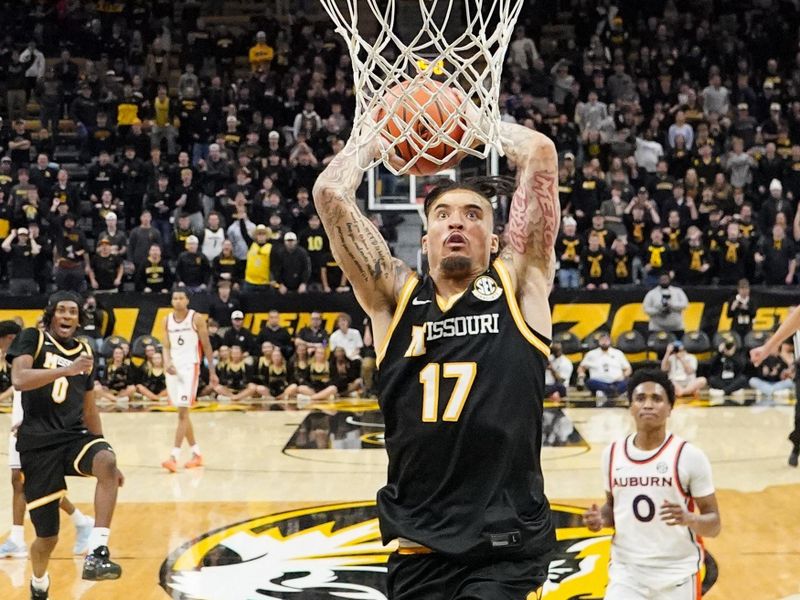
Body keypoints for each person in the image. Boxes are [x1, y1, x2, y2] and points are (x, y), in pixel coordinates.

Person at [313, 118, 559, 597]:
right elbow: (330, 193)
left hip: (503, 544)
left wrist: (470, 126)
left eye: (473, 214)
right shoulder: (393, 298)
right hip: (418, 544)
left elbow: (540, 153)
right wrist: (372, 142)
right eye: (443, 214)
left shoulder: (519, 282)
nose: (457, 223)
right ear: (424, 241)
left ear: (496, 240)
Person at [7, 292, 125, 598]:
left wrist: (104, 449)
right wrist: (66, 369)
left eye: (73, 312)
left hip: (73, 436)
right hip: (37, 444)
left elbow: (89, 409)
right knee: (47, 537)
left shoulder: (85, 350)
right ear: (51, 314)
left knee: (107, 464)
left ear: (79, 319)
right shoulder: (31, 338)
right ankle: (39, 582)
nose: (67, 316)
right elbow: (19, 379)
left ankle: (97, 552)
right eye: (61, 310)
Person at [582, 369, 721, 599]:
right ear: (630, 407)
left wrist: (690, 519)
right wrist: (601, 519)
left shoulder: (689, 456)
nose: (648, 405)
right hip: (627, 572)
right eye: (640, 398)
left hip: (676, 574)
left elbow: (714, 524)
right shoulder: (612, 454)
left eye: (656, 399)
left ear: (670, 408)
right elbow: (613, 508)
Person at [0, 320, 95, 562]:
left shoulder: (33, 351)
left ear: (9, 339)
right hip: (25, 422)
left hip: (35, 428)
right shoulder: (25, 354)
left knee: (28, 481)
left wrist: (28, 422)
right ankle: (79, 521)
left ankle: (18, 538)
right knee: (24, 481)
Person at [160, 288, 218, 473]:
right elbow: (165, 346)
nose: (177, 301)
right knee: (182, 414)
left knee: (183, 413)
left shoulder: (196, 318)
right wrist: (167, 362)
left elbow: (206, 345)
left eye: (181, 298)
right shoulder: (166, 320)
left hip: (190, 367)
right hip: (173, 369)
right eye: (174, 298)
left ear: (187, 300)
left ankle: (173, 457)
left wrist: (212, 371)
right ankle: (196, 454)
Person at [577, 332, 632, 404]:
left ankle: (610, 391)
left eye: (606, 340)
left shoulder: (618, 353)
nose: (604, 342)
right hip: (599, 382)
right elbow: (581, 367)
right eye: (602, 340)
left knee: (629, 382)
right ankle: (612, 392)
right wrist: (581, 374)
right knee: (590, 382)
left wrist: (624, 375)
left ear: (610, 341)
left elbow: (628, 369)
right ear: (598, 342)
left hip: (617, 382)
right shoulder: (591, 354)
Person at [643, 273, 688, 338]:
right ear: (658, 280)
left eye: (666, 279)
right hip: (657, 327)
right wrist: (659, 310)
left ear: (669, 279)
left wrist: (671, 305)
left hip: (676, 327)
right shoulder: (652, 293)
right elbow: (646, 309)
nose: (664, 281)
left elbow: (685, 304)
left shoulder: (678, 291)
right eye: (662, 279)